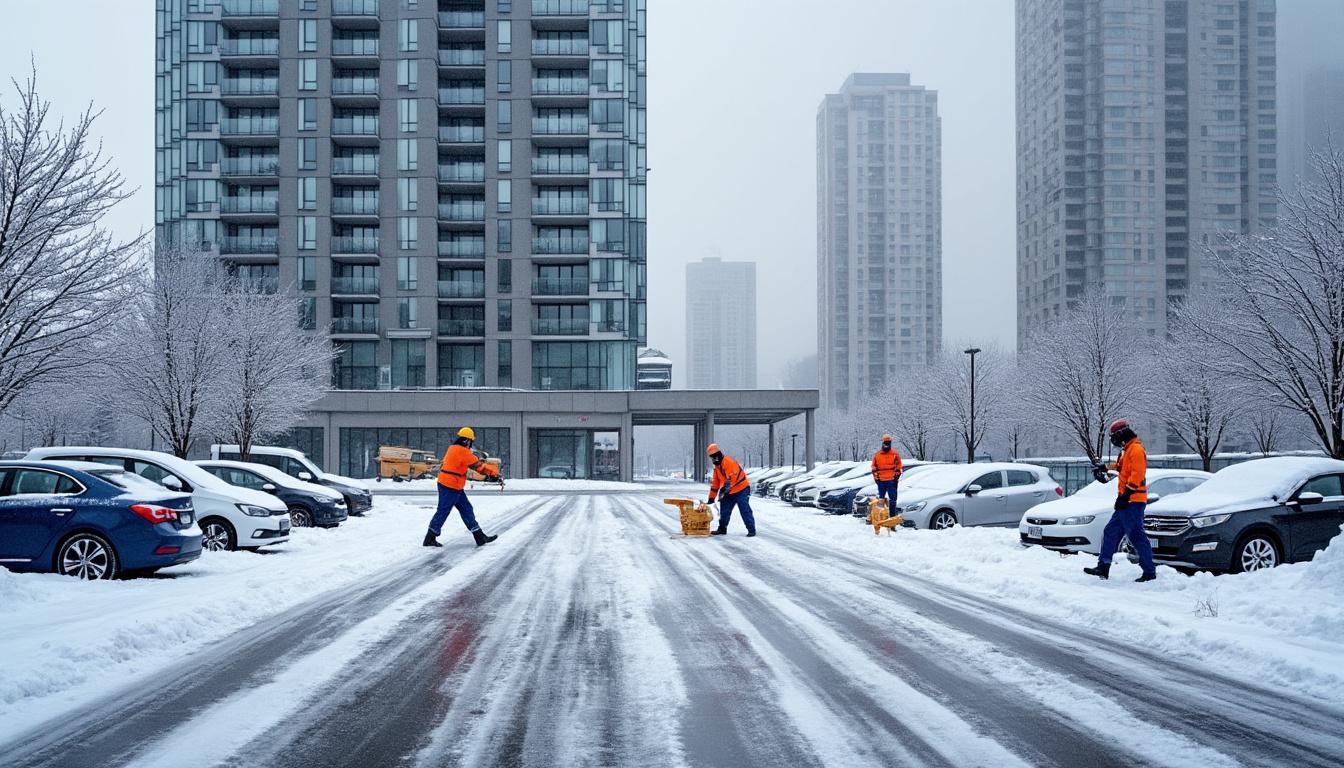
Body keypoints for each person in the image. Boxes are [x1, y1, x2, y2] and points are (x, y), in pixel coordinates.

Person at [1085, 419, 1156, 582]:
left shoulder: (1136, 450)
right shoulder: (1127, 449)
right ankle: (1103, 566)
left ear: (1121, 434)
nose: (1114, 442)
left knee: (1137, 535)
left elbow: (1137, 475)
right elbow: (1121, 467)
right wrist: (1105, 468)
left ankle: (1149, 571)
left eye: (1114, 437)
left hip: (1132, 501)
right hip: (1125, 501)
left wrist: (1126, 496)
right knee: (1110, 532)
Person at [424, 427, 503, 548]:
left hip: (452, 484)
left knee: (466, 509)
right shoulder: (462, 451)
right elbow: (478, 466)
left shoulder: (452, 448)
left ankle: (479, 536)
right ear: (467, 441)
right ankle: (430, 537)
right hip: (450, 485)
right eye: (471, 441)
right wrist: (493, 474)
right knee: (443, 511)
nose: (471, 444)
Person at [706, 443, 756, 537]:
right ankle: (722, 529)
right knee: (724, 511)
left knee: (744, 509)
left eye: (715, 456)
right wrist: (711, 498)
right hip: (729, 491)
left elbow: (733, 477)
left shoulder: (729, 462)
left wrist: (726, 488)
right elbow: (715, 483)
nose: (714, 458)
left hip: (741, 489)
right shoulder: (717, 468)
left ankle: (751, 529)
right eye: (712, 457)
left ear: (719, 454)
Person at [871, 434, 903, 509]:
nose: (887, 444)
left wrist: (897, 474)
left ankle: (892, 516)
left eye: (888, 442)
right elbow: (873, 467)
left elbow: (899, 464)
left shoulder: (894, 454)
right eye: (885, 442)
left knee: (893, 500)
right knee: (881, 499)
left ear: (890, 443)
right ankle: (881, 517)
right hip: (881, 480)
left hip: (891, 480)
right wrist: (876, 477)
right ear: (882, 442)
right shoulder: (877, 455)